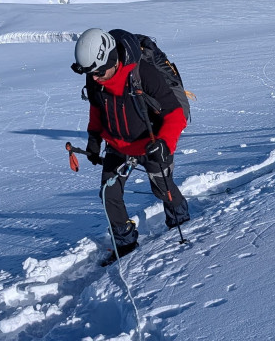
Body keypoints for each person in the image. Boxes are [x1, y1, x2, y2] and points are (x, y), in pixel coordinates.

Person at [72, 28, 190, 260]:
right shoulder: (95, 76)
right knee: (109, 194)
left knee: (162, 189)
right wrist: (94, 141)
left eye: (98, 72)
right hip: (117, 144)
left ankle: (180, 218)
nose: (94, 78)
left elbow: (175, 113)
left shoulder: (142, 73)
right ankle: (125, 243)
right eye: (90, 73)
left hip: (151, 144)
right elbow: (96, 110)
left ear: (112, 60)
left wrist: (165, 143)